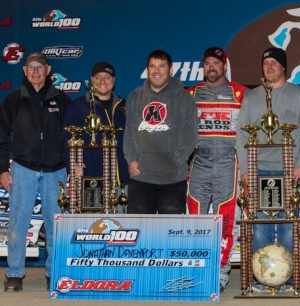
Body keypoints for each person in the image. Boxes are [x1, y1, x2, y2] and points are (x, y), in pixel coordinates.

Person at [236, 47, 300, 291]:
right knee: (260, 228)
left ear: (283, 67)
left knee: (289, 227)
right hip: (259, 171)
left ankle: (289, 279)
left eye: (274, 62)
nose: (269, 66)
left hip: (289, 171)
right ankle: (263, 278)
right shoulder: (251, 96)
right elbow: (241, 135)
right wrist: (246, 170)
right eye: (265, 62)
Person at [0, 52, 71, 292]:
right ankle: (14, 273)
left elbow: (71, 138)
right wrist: (2, 169)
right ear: (24, 70)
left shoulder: (61, 100)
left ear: (48, 70)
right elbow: (1, 138)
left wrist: (73, 166)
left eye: (40, 67)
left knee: (56, 224)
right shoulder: (12, 99)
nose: (35, 71)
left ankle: (54, 272)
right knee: (18, 223)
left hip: (56, 171)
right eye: (31, 67)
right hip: (23, 168)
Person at [187, 47, 246, 293]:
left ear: (224, 66)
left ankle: (219, 276)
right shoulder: (191, 94)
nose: (212, 67)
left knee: (226, 222)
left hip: (227, 162)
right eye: (208, 63)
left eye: (216, 63)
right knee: (196, 220)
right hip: (198, 162)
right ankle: (198, 272)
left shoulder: (241, 93)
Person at [123, 50, 198, 214]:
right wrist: (131, 159)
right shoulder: (135, 97)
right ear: (147, 70)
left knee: (170, 235)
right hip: (140, 177)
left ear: (170, 70)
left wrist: (176, 162)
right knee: (139, 234)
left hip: (172, 180)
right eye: (152, 66)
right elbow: (128, 134)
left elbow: (189, 136)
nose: (156, 71)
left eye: (161, 67)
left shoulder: (184, 98)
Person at [63, 62, 129, 200]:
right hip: (91, 178)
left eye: (107, 77)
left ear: (114, 80)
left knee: (122, 221)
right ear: (92, 80)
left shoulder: (125, 106)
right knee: (94, 221)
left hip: (122, 179)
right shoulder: (77, 106)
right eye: (98, 77)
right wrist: (72, 164)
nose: (102, 81)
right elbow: (66, 139)